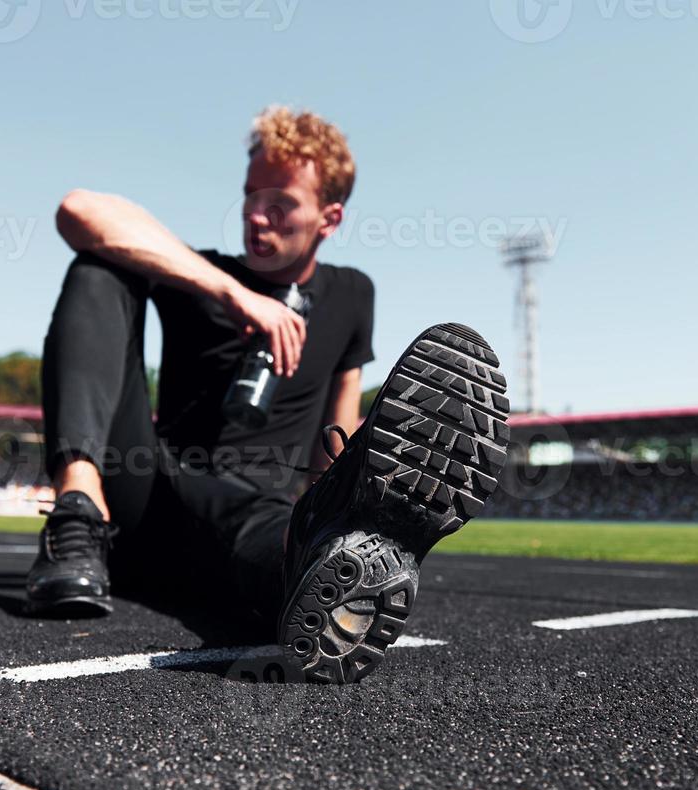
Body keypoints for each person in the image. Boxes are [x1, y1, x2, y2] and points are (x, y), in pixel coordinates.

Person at [28, 106, 511, 683]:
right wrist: (228, 291)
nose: (256, 216)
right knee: (99, 266)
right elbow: (79, 210)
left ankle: (331, 570)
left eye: (279, 202)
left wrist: (355, 496)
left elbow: (341, 425)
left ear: (329, 219)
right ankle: (76, 512)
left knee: (276, 519)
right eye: (249, 195)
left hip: (256, 520)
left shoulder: (352, 295)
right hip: (145, 498)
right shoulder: (204, 276)